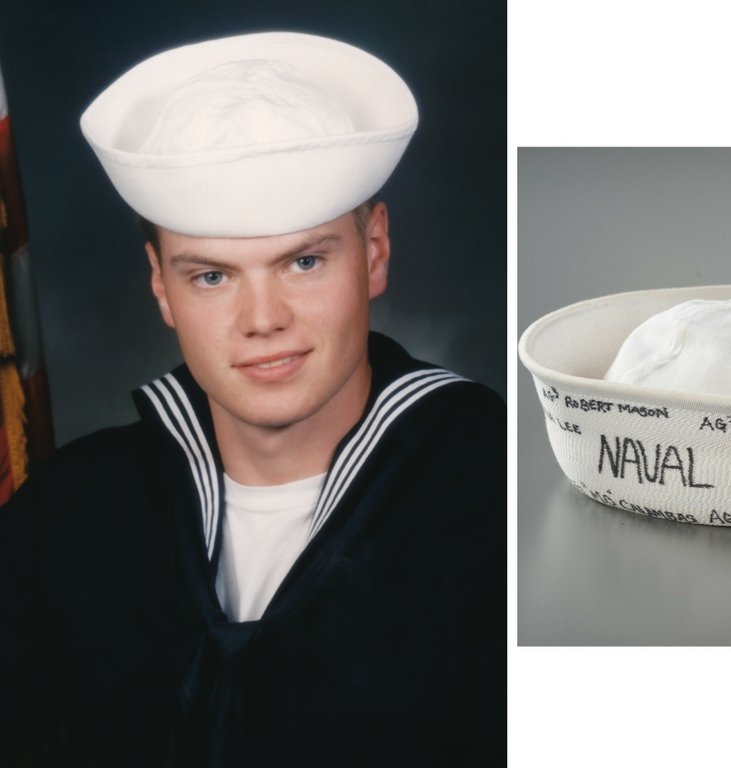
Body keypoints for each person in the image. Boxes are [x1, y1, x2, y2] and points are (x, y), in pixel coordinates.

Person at [0, 32, 504, 767]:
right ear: (160, 285)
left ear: (374, 251)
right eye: (212, 276)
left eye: (304, 262)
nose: (263, 320)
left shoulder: (504, 494)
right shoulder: (65, 514)